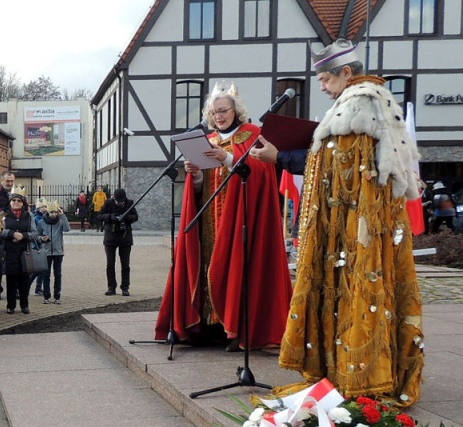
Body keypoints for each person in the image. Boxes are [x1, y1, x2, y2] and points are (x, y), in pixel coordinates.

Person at [267, 40, 425, 405]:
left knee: (359, 292)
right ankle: (352, 365)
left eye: (325, 79)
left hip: (355, 227)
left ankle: (361, 373)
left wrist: (280, 156)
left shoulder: (359, 107)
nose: (321, 87)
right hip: (360, 223)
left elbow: (340, 166)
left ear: (347, 74)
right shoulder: (371, 102)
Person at [154, 81, 292, 351]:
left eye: (224, 110)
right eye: (214, 112)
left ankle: (237, 330)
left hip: (242, 220)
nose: (219, 116)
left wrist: (227, 158)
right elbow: (201, 188)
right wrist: (194, 175)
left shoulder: (252, 134)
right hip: (208, 221)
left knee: (235, 269)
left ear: (236, 111)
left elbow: (261, 172)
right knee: (207, 268)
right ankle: (209, 327)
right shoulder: (209, 140)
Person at [0, 192, 38, 314]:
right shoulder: (3, 215)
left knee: (24, 281)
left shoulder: (29, 215)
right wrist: (12, 234)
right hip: (9, 252)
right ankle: (11, 305)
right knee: (11, 280)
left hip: (24, 252)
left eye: (19, 201)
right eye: (13, 200)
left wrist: (23, 236)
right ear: (9, 202)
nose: (16, 202)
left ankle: (24, 305)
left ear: (23, 203)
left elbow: (35, 233)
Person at [98, 188, 138, 296]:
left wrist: (126, 218)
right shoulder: (108, 203)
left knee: (125, 265)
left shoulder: (129, 204)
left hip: (125, 238)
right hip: (110, 238)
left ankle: (125, 287)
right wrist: (111, 217)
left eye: (122, 201)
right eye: (118, 201)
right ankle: (111, 287)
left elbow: (135, 217)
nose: (121, 203)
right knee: (110, 264)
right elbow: (100, 215)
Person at [36, 201, 69, 304]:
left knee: (58, 274)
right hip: (46, 251)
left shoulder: (60, 221)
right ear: (48, 212)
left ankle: (57, 295)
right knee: (46, 274)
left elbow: (67, 229)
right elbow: (37, 235)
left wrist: (63, 215)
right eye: (51, 212)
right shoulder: (42, 222)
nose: (53, 214)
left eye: (55, 212)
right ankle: (46, 295)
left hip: (58, 251)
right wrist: (42, 238)